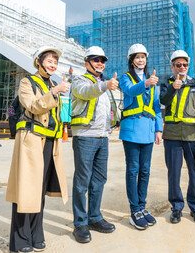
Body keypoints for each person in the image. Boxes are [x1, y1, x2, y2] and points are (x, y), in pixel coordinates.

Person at [6, 46, 70, 253]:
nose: (53, 65)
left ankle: (36, 235)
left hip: (50, 143)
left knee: (40, 191)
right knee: (26, 190)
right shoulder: (27, 82)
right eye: (49, 61)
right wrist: (54, 92)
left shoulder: (54, 84)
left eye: (55, 62)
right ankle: (21, 240)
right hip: (31, 141)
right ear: (38, 62)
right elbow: (33, 106)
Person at [70, 46, 120, 243]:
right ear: (86, 62)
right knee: (82, 181)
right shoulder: (80, 80)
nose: (100, 63)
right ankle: (80, 223)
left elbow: (108, 108)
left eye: (102, 60)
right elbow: (85, 93)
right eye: (96, 59)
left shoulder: (104, 84)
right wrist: (105, 85)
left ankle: (95, 217)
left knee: (99, 179)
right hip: (85, 135)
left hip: (102, 137)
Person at [160, 50, 195, 224]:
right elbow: (164, 102)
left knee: (194, 172)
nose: (182, 67)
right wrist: (173, 90)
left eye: (185, 65)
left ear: (188, 66)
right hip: (172, 135)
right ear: (172, 66)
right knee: (173, 172)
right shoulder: (167, 84)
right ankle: (176, 208)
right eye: (178, 65)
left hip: (192, 135)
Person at [119, 44, 163, 230]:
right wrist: (145, 83)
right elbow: (130, 91)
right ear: (131, 60)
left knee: (145, 170)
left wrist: (158, 129)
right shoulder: (125, 77)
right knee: (133, 170)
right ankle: (134, 210)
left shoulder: (151, 80)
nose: (140, 60)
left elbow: (156, 107)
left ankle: (142, 207)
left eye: (143, 57)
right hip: (131, 129)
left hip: (147, 130)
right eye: (137, 57)